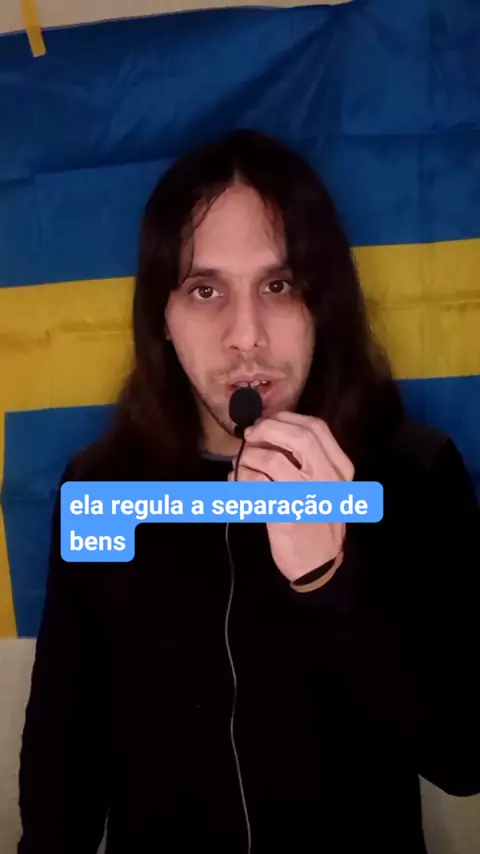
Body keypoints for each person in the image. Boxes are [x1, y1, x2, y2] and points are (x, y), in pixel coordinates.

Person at [18, 129, 480, 854]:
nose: (245, 336)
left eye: (279, 285)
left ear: (322, 305)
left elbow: (464, 756)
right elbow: (64, 754)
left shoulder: (415, 473)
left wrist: (333, 583)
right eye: (205, 291)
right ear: (163, 317)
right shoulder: (102, 489)